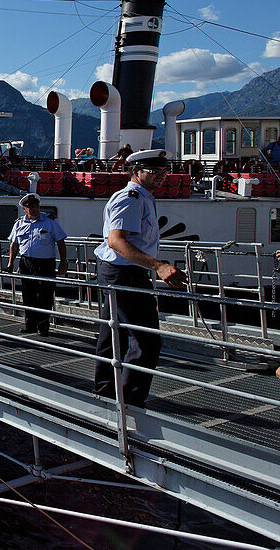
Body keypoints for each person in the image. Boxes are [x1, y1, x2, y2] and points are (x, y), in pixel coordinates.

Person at [93, 149, 186, 407]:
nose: (161, 176)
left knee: (113, 333)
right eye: (154, 172)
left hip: (119, 272)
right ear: (136, 172)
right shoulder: (132, 198)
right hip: (125, 273)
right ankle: (131, 401)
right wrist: (159, 266)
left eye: (163, 172)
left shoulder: (141, 196)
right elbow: (116, 241)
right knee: (145, 339)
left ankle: (106, 391)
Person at [6, 194, 68, 336]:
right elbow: (14, 244)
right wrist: (10, 263)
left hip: (45, 263)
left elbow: (60, 241)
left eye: (36, 206)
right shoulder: (19, 223)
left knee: (45, 295)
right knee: (28, 294)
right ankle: (30, 324)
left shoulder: (50, 221)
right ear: (24, 209)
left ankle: (43, 325)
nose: (34, 209)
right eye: (30, 207)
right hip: (26, 262)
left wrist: (63, 262)